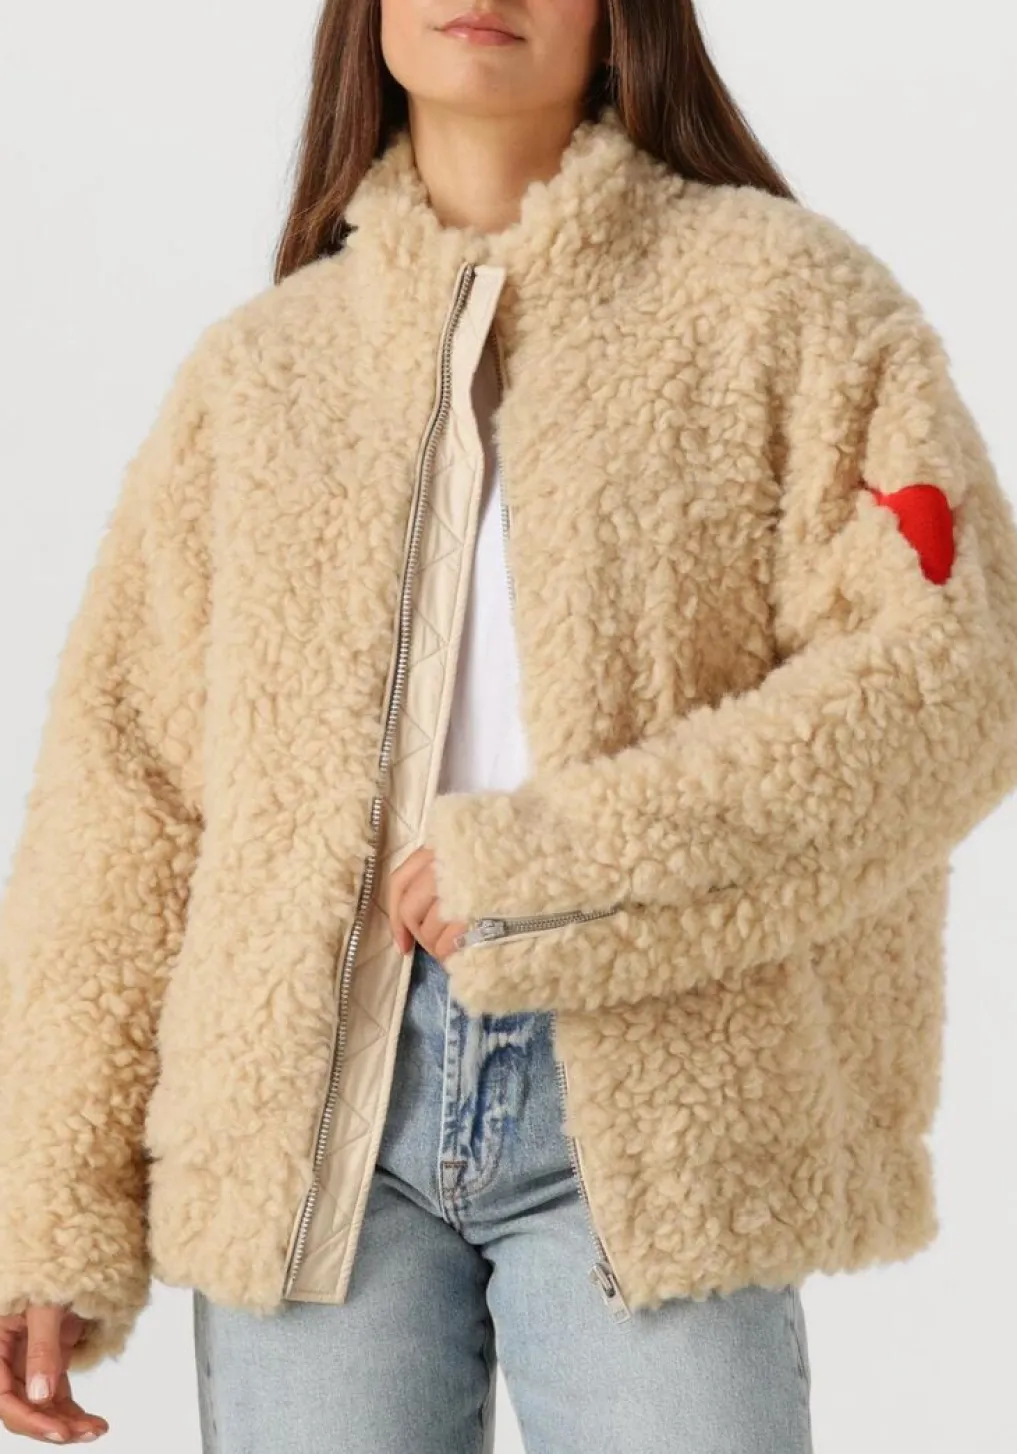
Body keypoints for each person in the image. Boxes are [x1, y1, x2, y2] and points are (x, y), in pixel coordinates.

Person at [2, 0, 1017, 1448]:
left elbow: (950, 680)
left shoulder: (786, 305)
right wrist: (45, 1208)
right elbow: (125, 795)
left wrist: (551, 872)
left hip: (657, 1103)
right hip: (306, 1125)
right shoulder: (260, 377)